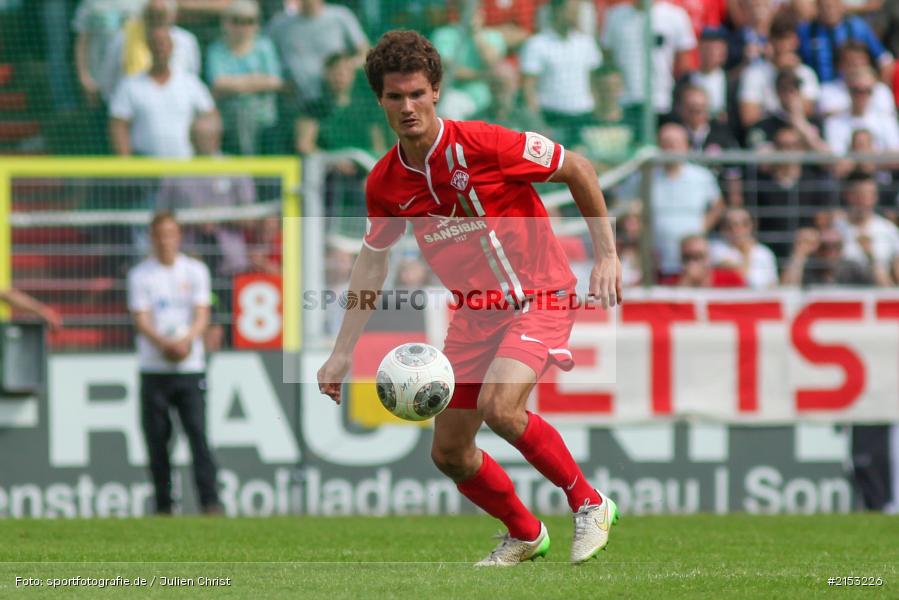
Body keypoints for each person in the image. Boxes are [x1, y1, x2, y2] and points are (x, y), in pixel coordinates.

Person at [317, 30, 622, 566]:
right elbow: (372, 260)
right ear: (380, 100)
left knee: (500, 408)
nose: (408, 107)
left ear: (435, 91)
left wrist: (607, 255)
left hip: (539, 293)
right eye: (395, 96)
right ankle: (525, 533)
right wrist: (342, 352)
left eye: (417, 94)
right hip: (476, 313)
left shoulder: (486, 144)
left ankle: (590, 502)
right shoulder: (385, 183)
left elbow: (578, 168)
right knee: (450, 452)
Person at [127, 212, 222, 515]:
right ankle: (164, 505)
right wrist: (164, 344)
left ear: (178, 236)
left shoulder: (195, 271)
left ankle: (210, 502)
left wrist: (186, 342)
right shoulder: (141, 275)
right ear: (152, 238)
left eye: (170, 234)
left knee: (198, 434)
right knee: (157, 440)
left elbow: (202, 314)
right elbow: (141, 319)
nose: (165, 240)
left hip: (189, 367)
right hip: (154, 368)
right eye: (160, 235)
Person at [109, 26, 217, 157]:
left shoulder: (190, 83)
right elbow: (119, 125)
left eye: (163, 43)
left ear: (172, 47)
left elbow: (211, 116)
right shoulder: (130, 85)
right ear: (148, 47)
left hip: (184, 164)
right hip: (144, 164)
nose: (159, 48)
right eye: (155, 43)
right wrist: (126, 163)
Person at [520, 0, 603, 146]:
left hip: (584, 116)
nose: (575, 14)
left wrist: (597, 113)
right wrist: (538, 123)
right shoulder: (537, 44)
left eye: (576, 10)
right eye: (570, 10)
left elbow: (594, 81)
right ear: (556, 11)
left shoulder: (586, 43)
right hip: (552, 117)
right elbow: (528, 88)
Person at [206, 0, 283, 155]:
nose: (242, 27)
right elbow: (217, 83)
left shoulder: (264, 47)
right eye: (236, 21)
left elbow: (275, 81)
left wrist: (235, 83)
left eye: (248, 21)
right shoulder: (216, 50)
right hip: (228, 113)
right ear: (226, 23)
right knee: (241, 113)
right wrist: (256, 79)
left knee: (247, 112)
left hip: (263, 113)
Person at [98, 0, 201, 103]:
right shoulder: (123, 38)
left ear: (171, 16)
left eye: (160, 15)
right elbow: (108, 82)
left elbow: (192, 79)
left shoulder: (186, 41)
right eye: (151, 14)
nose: (156, 19)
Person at [797, 0, 894, 84]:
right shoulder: (806, 31)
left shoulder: (856, 27)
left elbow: (884, 59)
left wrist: (878, 84)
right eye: (824, 6)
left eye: (833, 6)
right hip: (820, 88)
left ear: (841, 5)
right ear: (817, 8)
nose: (829, 10)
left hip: (855, 89)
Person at [823, 67, 899, 154]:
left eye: (867, 91)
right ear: (848, 90)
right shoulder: (835, 122)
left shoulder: (886, 120)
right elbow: (834, 158)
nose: (862, 96)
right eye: (856, 90)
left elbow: (896, 154)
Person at [709, 207, 778, 288]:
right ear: (722, 228)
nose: (737, 230)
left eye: (744, 224)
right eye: (730, 225)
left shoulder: (764, 252)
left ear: (752, 226)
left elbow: (773, 284)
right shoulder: (716, 249)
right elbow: (740, 278)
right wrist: (746, 252)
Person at [674, 233, 746, 287]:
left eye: (699, 256)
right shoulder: (673, 281)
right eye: (687, 257)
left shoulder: (731, 279)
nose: (692, 262)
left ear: (709, 257)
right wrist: (686, 283)